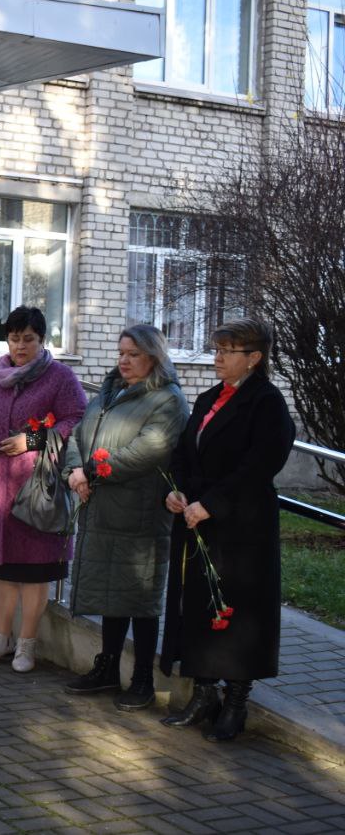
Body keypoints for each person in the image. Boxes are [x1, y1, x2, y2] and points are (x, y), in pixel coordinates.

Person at [159, 318, 294, 742]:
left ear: (254, 358)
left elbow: (258, 466)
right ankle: (203, 693)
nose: (217, 357)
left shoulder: (266, 403)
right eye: (217, 348)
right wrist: (178, 492)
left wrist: (211, 505)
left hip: (241, 528)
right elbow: (183, 452)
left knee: (238, 611)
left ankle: (236, 700)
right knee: (199, 605)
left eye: (227, 351)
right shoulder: (208, 398)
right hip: (197, 518)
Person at [62, 325, 188, 709]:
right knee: (111, 596)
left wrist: (92, 473)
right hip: (101, 510)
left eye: (133, 354)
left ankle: (144, 680)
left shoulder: (167, 400)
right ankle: (107, 668)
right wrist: (73, 472)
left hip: (140, 515)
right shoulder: (108, 393)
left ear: (153, 356)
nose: (124, 360)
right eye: (121, 353)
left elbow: (147, 450)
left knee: (140, 598)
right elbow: (76, 436)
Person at [0, 306, 86, 672]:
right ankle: (0, 639)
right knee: (2, 570)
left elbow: (78, 419)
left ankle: (26, 646)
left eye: (28, 339)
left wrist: (31, 439)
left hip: (38, 490)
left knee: (34, 572)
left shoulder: (60, 377)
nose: (20, 346)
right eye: (14, 338)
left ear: (42, 340)